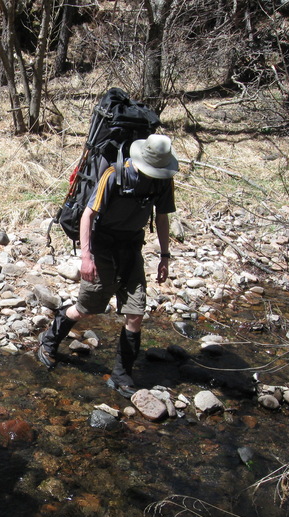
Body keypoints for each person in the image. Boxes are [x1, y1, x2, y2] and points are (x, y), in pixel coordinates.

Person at [37, 134, 179, 398]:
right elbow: (87, 215)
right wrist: (86, 258)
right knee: (87, 308)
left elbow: (162, 218)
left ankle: (121, 375)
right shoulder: (114, 175)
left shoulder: (163, 181)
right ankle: (49, 339)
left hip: (131, 248)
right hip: (102, 247)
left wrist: (165, 256)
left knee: (136, 312)